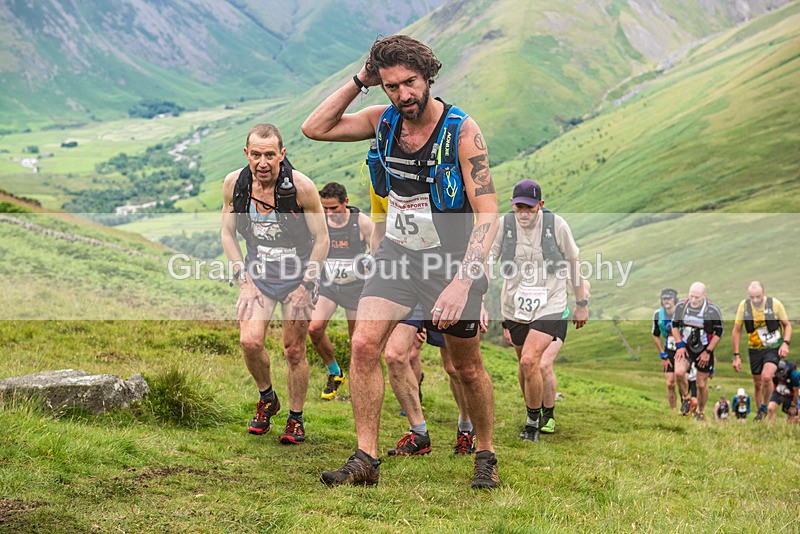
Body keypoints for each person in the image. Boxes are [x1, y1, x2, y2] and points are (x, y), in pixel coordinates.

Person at [303, 34, 500, 489]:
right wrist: (360, 81)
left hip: (451, 264)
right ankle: (366, 458)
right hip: (397, 257)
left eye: (410, 82)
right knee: (364, 345)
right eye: (392, 86)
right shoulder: (383, 120)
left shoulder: (462, 132)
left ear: (428, 77)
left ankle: (486, 453)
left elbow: (488, 212)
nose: (403, 95)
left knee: (467, 368)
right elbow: (315, 127)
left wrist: (462, 283)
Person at [221, 123, 329, 444]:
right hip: (258, 273)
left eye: (270, 155)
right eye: (256, 155)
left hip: (298, 273)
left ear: (282, 154)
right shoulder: (235, 185)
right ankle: (267, 398)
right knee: (250, 342)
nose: (263, 162)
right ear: (247, 154)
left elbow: (322, 239)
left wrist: (306, 285)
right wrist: (244, 281)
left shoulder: (301, 188)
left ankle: (295, 419)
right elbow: (227, 233)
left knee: (294, 350)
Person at [489, 179, 589, 443]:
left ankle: (534, 422)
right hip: (515, 305)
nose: (523, 213)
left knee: (529, 361)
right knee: (524, 366)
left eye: (529, 208)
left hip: (550, 302)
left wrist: (581, 304)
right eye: (518, 207)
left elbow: (574, 262)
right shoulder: (504, 225)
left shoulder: (557, 225)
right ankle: (532, 410)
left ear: (540, 205)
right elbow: (489, 261)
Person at [307, 182, 374, 400]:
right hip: (330, 285)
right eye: (325, 208)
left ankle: (359, 385)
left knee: (357, 341)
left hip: (356, 288)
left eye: (333, 208)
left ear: (346, 202)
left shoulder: (362, 223)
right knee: (314, 329)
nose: (329, 213)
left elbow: (379, 254)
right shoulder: (321, 222)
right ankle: (335, 373)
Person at [731, 281, 792, 421]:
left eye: (758, 297)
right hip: (754, 348)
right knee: (758, 385)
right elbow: (737, 330)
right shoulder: (744, 306)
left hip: (773, 347)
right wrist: (736, 356)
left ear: (764, 293)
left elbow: (787, 325)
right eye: (752, 297)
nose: (755, 300)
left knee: (766, 377)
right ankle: (761, 416)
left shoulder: (775, 304)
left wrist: (785, 344)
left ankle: (764, 406)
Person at [671, 282, 723, 421]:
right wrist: (679, 344)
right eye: (691, 296)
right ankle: (687, 399)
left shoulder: (712, 310)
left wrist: (708, 352)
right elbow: (674, 326)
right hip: (686, 346)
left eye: (697, 297)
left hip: (704, 348)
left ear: (704, 295)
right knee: (679, 372)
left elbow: (719, 332)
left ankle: (700, 411)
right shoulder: (681, 306)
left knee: (701, 384)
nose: (693, 300)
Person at [652, 288, 679, 410]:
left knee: (684, 379)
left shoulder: (681, 312)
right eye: (664, 299)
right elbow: (655, 335)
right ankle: (673, 409)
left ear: (675, 300)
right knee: (670, 383)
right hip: (669, 350)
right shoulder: (658, 315)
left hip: (684, 349)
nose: (667, 301)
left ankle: (686, 405)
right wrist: (662, 354)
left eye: (669, 298)